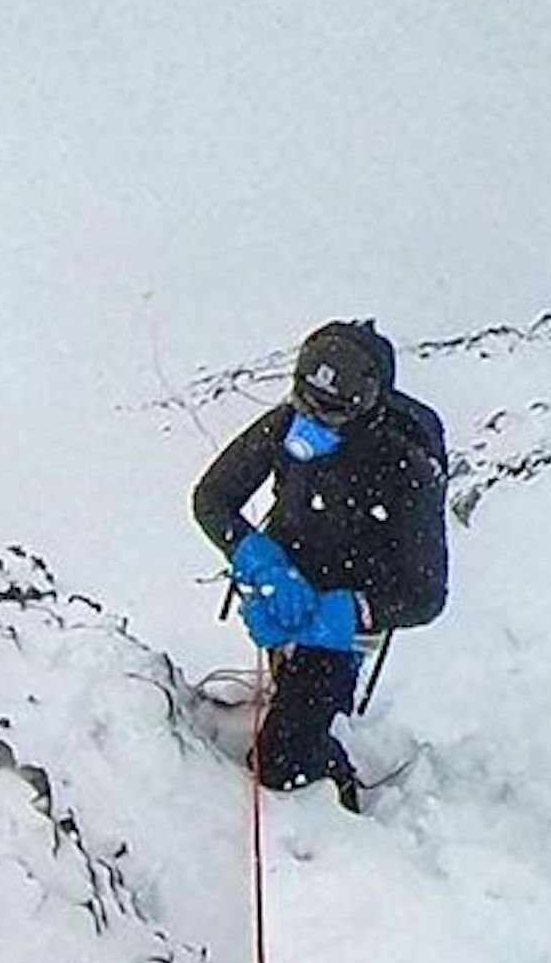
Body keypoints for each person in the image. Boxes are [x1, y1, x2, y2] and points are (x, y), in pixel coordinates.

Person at [191, 319, 448, 804]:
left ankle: (336, 787)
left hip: (350, 614)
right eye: (306, 402)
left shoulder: (406, 467)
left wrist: (340, 615)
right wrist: (260, 562)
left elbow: (425, 595)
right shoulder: (288, 423)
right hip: (285, 575)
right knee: (290, 698)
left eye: (331, 413)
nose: (314, 420)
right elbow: (213, 497)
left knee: (281, 762)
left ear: (366, 406)